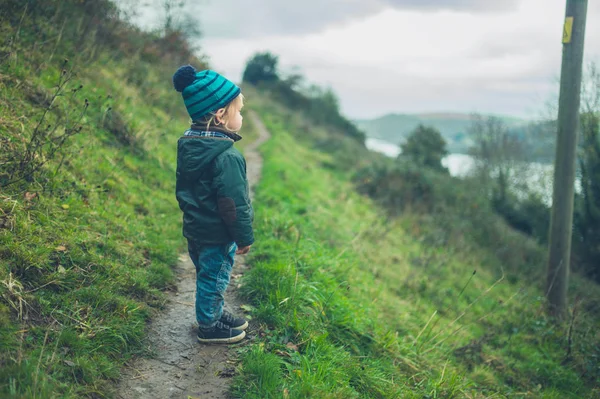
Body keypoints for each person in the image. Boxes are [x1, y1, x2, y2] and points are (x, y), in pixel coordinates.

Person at [172, 65, 254, 344]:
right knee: (215, 278)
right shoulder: (227, 156)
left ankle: (215, 314)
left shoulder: (189, 145)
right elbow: (234, 204)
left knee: (207, 273)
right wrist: (243, 236)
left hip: (195, 229)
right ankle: (209, 325)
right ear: (221, 115)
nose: (240, 116)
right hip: (216, 234)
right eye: (238, 111)